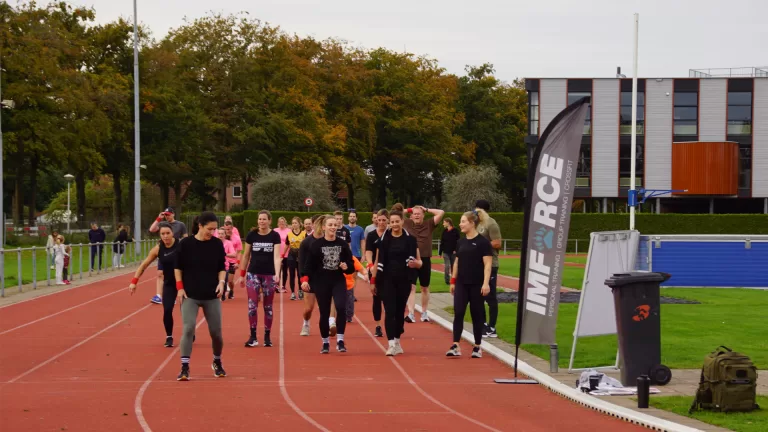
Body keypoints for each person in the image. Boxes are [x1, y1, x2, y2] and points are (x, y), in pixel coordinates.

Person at [174, 212, 227, 380]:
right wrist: (180, 288)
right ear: (200, 226)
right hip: (190, 294)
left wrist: (221, 282)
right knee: (188, 328)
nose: (212, 232)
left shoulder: (217, 244)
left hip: (211, 295)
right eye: (209, 229)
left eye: (214, 229)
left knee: (216, 333)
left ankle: (217, 361)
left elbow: (222, 267)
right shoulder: (186, 244)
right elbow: (178, 268)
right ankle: (184, 367)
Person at [301, 215, 355, 353]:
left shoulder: (342, 244)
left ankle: (340, 340)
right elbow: (308, 266)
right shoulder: (316, 245)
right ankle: (325, 342)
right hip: (321, 282)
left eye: (334, 225)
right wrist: (305, 280)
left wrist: (346, 266)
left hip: (337, 280)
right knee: (324, 313)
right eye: (330, 225)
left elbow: (351, 265)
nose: (332, 227)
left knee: (341, 307)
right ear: (324, 227)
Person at [371, 209, 422, 356]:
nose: (394, 224)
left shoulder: (410, 240)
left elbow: (420, 262)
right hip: (386, 280)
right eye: (391, 222)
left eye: (396, 221)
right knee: (390, 311)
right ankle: (391, 343)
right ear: (389, 223)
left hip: (404, 280)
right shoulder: (383, 240)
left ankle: (397, 341)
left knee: (400, 313)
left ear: (402, 222)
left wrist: (416, 264)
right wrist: (373, 281)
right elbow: (377, 261)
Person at [446, 211, 493, 358]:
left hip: (477, 284)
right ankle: (455, 345)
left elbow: (488, 265)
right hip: (461, 283)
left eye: (463, 221)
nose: (460, 224)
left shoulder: (483, 243)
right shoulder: (460, 242)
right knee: (458, 312)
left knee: (476, 314)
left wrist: (486, 284)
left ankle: (477, 346)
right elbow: (457, 262)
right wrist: (453, 281)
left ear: (472, 223)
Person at [128, 222, 181, 347]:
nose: (165, 236)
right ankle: (169, 337)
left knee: (186, 311)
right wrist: (134, 282)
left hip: (185, 283)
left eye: (168, 233)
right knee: (167, 310)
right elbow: (144, 264)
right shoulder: (158, 249)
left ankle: (189, 331)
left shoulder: (181, 245)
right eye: (163, 234)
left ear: (172, 233)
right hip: (169, 283)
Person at [236, 210, 282, 348]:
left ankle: (267, 336)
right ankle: (253, 336)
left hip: (268, 274)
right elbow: (246, 255)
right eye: (260, 219)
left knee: (268, 306)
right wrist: (242, 274)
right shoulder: (252, 235)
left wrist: (277, 273)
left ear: (269, 221)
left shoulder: (275, 236)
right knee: (252, 305)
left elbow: (277, 256)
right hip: (253, 273)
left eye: (264, 219)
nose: (261, 221)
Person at [402, 205, 444, 323]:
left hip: (425, 259)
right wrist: (410, 209)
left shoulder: (429, 224)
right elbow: (395, 212)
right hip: (411, 259)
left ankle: (424, 312)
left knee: (425, 287)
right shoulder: (407, 223)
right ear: (411, 215)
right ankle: (410, 313)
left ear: (423, 215)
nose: (416, 215)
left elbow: (441, 212)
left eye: (419, 213)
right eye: (414, 213)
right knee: (411, 287)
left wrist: (426, 209)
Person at [148, 207, 188, 305]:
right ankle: (158, 295)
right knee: (160, 273)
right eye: (165, 214)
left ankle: (173, 293)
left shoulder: (180, 224)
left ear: (173, 214)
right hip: (163, 251)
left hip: (175, 252)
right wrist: (159, 218)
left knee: (174, 274)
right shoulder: (162, 224)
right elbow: (152, 229)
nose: (167, 216)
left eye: (168, 214)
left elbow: (186, 237)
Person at [475, 200, 502, 338]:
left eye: (478, 210)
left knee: (490, 296)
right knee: (479, 296)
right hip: (479, 264)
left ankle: (492, 326)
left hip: (491, 263)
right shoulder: (477, 223)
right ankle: (483, 324)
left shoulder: (491, 223)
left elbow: (497, 243)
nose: (476, 213)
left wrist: (481, 244)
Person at [364, 209, 389, 337]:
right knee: (376, 297)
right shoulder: (372, 235)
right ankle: (378, 325)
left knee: (389, 298)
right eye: (379, 220)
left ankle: (391, 323)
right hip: (374, 270)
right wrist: (370, 264)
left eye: (384, 220)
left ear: (388, 221)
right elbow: (369, 251)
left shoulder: (391, 234)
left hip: (389, 270)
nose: (381, 223)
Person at [298, 215, 323, 336]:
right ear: (313, 225)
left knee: (326, 307)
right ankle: (306, 323)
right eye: (317, 223)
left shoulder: (331, 240)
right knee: (309, 308)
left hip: (326, 278)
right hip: (310, 278)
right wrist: (304, 280)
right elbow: (302, 263)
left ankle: (329, 324)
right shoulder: (306, 243)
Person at [285, 217, 306, 301]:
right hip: (291, 255)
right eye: (293, 223)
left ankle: (300, 291)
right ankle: (293, 292)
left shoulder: (304, 234)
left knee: (300, 274)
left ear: (299, 224)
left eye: (295, 223)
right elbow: (287, 244)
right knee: (292, 274)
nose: (294, 224)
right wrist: (282, 254)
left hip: (301, 255)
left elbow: (307, 245)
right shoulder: (289, 234)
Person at [219, 227, 240, 302]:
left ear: (225, 235)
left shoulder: (228, 243)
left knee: (224, 281)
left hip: (225, 265)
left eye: (222, 234)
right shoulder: (214, 242)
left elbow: (234, 254)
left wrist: (225, 254)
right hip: (214, 265)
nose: (220, 235)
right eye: (219, 233)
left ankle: (223, 295)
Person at [438, 218, 459, 285]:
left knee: (454, 267)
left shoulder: (455, 231)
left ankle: (454, 280)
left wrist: (456, 250)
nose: (443, 224)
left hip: (453, 253)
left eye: (444, 222)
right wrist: (440, 252)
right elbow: (442, 242)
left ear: (448, 222)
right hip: (446, 252)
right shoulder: (444, 231)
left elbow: (458, 242)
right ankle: (447, 281)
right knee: (447, 266)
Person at [274, 217, 292, 293]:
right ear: (278, 223)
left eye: (283, 222)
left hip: (286, 254)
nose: (281, 223)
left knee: (284, 270)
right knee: (277, 270)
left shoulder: (289, 231)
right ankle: (276, 285)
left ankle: (283, 285)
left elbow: (291, 242)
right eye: (280, 222)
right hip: (277, 254)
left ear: (285, 223)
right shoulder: (275, 230)